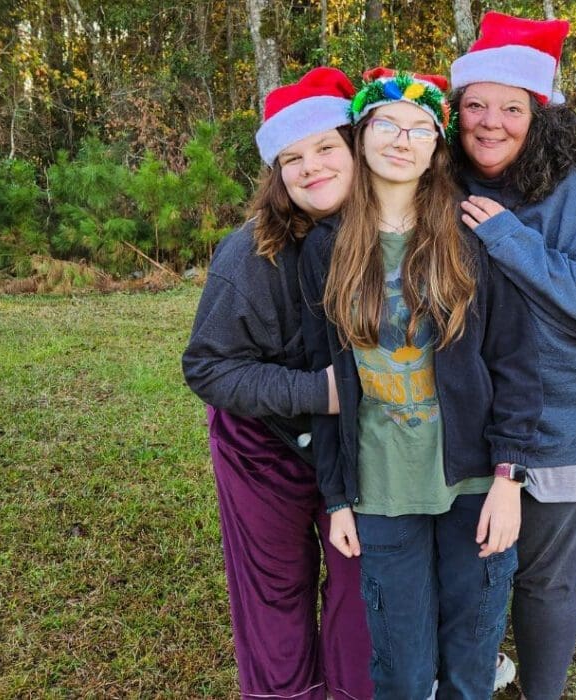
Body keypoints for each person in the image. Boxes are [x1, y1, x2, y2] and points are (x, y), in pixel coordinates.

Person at [299, 67, 542, 699]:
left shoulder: (471, 237)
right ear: (362, 137)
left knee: (470, 660)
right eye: (386, 124)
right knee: (402, 669)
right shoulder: (325, 249)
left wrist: (508, 478)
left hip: (472, 483)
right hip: (381, 487)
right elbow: (327, 386)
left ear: (436, 146)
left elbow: (516, 361)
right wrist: (336, 496)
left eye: (419, 129)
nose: (401, 140)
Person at [450, 12, 576, 700]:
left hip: (566, 421)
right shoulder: (447, 179)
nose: (489, 122)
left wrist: (515, 242)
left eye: (511, 107)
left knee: (545, 577)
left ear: (539, 116)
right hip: (482, 415)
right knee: (477, 563)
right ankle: (478, 670)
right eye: (474, 104)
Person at [182, 67, 374, 700]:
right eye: (291, 156)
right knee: (275, 592)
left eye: (325, 148)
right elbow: (208, 366)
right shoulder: (250, 254)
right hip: (264, 446)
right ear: (275, 172)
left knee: (359, 588)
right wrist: (320, 392)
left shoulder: (392, 237)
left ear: (357, 150)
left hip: (359, 448)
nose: (310, 167)